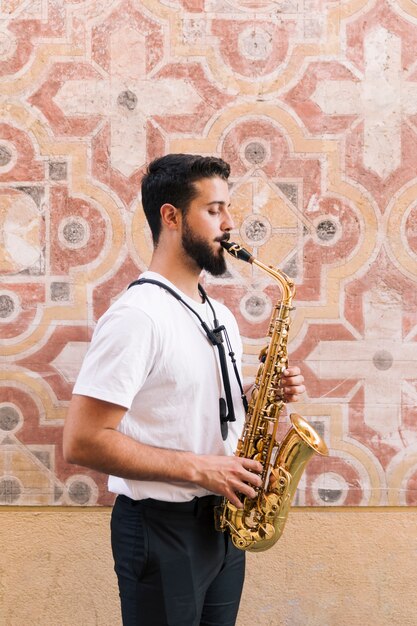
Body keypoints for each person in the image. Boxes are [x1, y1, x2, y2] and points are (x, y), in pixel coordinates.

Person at [63, 153, 306, 626]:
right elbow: (83, 440)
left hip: (221, 526)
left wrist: (260, 397)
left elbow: (193, 407)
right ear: (171, 217)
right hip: (161, 530)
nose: (230, 223)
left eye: (227, 209)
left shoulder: (218, 314)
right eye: (214, 210)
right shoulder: (137, 317)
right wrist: (201, 469)